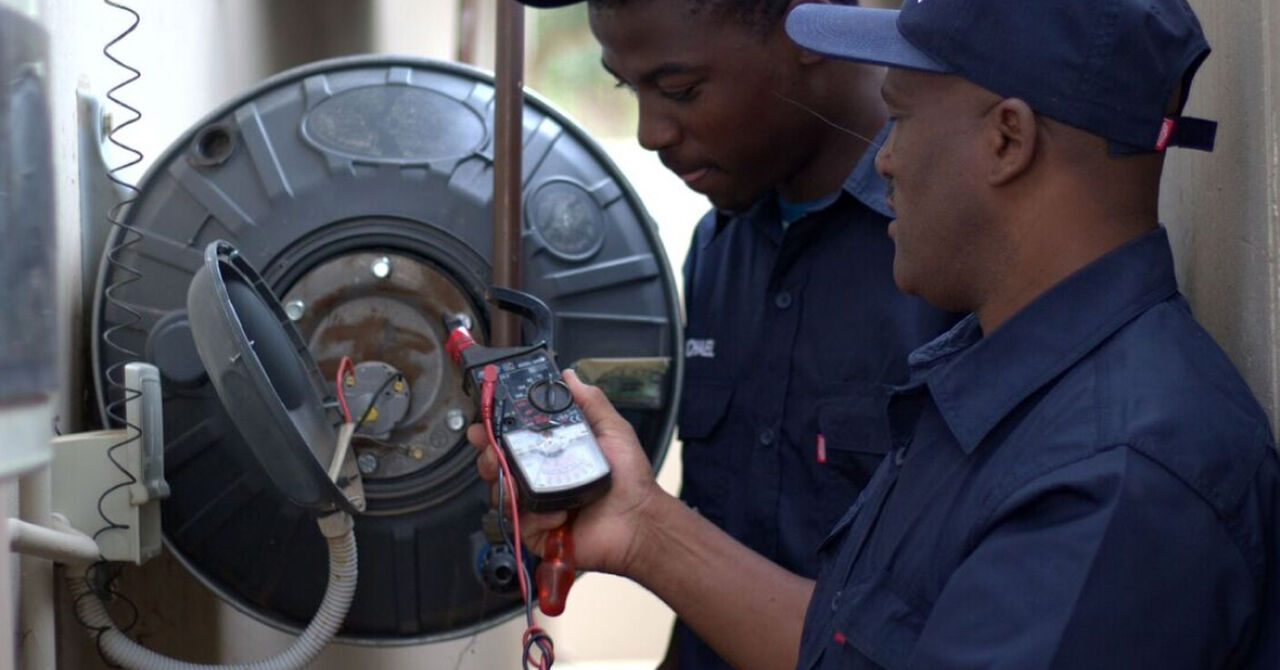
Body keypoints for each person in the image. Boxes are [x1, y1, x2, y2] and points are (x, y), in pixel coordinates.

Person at [483, 0, 1280, 668]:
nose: (885, 160)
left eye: (898, 119)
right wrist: (639, 523)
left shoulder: (1121, 478)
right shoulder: (988, 381)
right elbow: (852, 645)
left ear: (1008, 139)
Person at [514, 1, 956, 667]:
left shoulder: (954, 257)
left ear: (811, 29)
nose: (649, 133)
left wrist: (647, 532)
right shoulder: (719, 249)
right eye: (626, 89)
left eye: (679, 89)